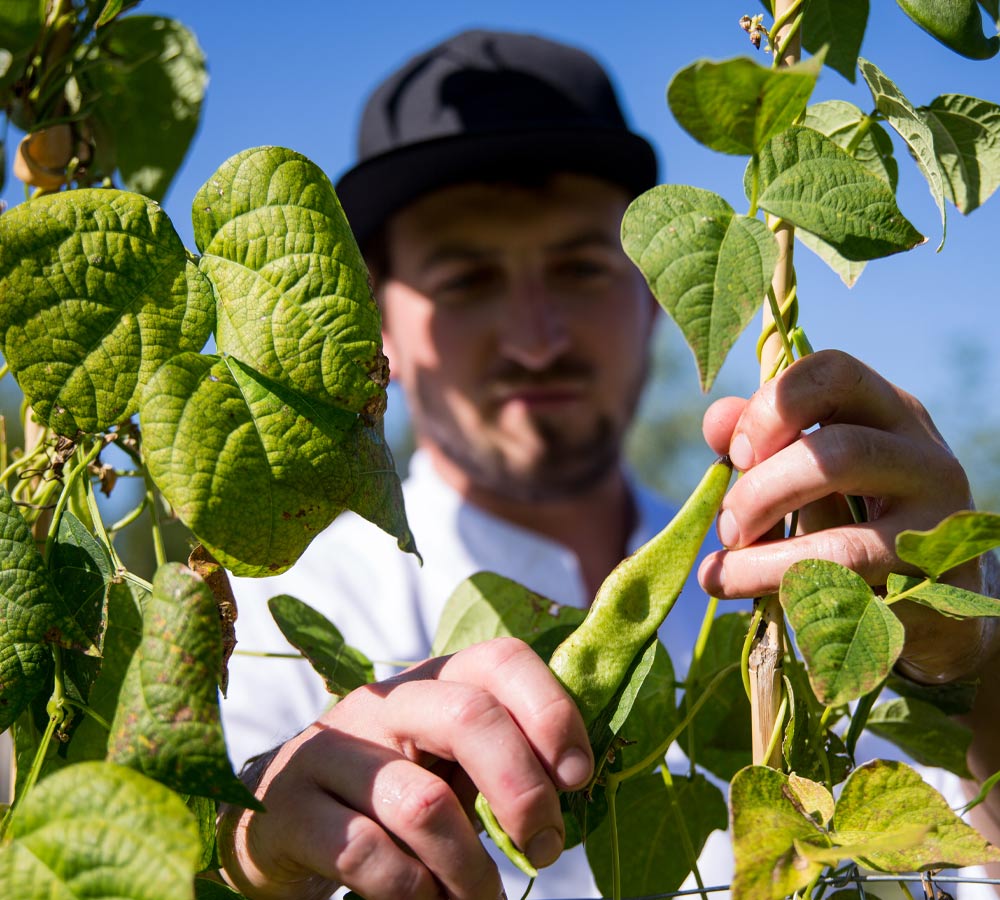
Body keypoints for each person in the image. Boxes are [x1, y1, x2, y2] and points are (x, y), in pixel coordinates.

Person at [216, 28, 1000, 900]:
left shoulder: (796, 574)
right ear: (380, 326)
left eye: (582, 268)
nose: (537, 339)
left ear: (659, 293)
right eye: (467, 281)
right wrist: (251, 846)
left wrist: (966, 660)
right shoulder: (263, 626)